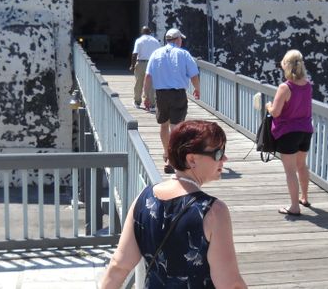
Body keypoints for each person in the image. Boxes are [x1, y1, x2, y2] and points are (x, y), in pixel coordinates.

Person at [101, 120, 247, 289]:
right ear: (191, 159)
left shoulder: (144, 199)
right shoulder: (213, 211)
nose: (224, 158)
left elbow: (119, 266)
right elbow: (230, 284)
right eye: (218, 153)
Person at [143, 28, 201, 173]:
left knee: (164, 125)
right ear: (177, 40)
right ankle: (173, 158)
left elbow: (148, 76)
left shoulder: (156, 54)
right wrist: (197, 88)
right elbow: (194, 75)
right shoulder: (184, 54)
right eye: (181, 39)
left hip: (161, 94)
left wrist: (145, 96)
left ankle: (167, 154)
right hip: (178, 94)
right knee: (176, 127)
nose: (182, 41)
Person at [265, 49, 313, 216]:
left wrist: (268, 106)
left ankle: (294, 207)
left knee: (290, 171)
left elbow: (276, 112)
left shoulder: (285, 87)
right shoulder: (307, 85)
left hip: (288, 133)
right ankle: (304, 198)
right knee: (301, 165)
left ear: (286, 65)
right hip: (306, 131)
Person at [130, 26, 160, 111]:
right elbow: (159, 54)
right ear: (150, 32)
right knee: (151, 84)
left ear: (142, 32)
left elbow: (135, 54)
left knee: (139, 83)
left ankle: (137, 102)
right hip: (152, 63)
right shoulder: (155, 41)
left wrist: (132, 65)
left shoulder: (139, 40)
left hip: (141, 63)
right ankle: (152, 105)